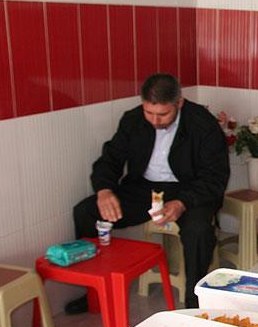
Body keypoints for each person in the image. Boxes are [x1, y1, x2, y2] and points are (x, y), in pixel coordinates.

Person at [69, 73, 229, 311]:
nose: (154, 120)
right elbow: (110, 160)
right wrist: (104, 190)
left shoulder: (202, 123)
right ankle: (94, 294)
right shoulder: (133, 119)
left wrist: (182, 202)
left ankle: (194, 302)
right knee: (85, 212)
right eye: (149, 112)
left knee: (198, 230)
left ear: (179, 103)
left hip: (190, 189)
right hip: (144, 187)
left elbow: (215, 177)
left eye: (162, 114)